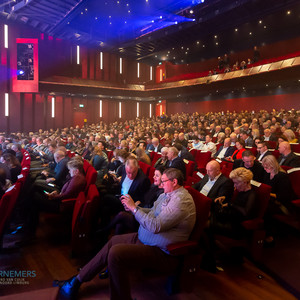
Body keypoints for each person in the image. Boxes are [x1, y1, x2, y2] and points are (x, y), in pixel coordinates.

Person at [55, 168, 196, 300]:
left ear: (174, 182)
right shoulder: (167, 194)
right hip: (146, 240)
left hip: (161, 252)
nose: (160, 184)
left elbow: (155, 226)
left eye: (163, 181)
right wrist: (135, 207)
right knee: (113, 241)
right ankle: (77, 280)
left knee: (116, 253)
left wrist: (135, 209)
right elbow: (152, 212)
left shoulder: (181, 201)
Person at [101, 166, 165, 235]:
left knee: (121, 215)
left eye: (157, 176)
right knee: (118, 222)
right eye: (154, 175)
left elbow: (151, 208)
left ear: (163, 178)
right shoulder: (154, 186)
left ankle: (104, 231)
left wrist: (136, 205)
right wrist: (136, 202)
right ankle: (109, 239)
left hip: (144, 218)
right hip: (138, 209)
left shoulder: (162, 193)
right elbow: (144, 197)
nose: (153, 177)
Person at [212, 168, 258, 239]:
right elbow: (234, 202)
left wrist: (230, 205)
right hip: (230, 219)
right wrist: (224, 198)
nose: (234, 186)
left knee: (206, 225)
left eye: (236, 183)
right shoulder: (241, 190)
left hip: (237, 227)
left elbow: (245, 212)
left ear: (245, 182)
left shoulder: (252, 195)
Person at [261, 155, 295, 246]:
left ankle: (270, 237)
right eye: (264, 166)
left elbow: (284, 196)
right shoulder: (267, 173)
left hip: (282, 204)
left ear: (272, 166)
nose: (264, 169)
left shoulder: (282, 176)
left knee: (265, 209)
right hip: (271, 200)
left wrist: (268, 194)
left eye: (266, 167)